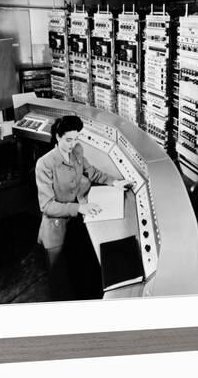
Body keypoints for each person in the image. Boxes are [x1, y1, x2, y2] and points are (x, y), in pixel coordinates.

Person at [35, 114, 129, 300]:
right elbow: (47, 206)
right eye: (68, 140)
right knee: (60, 285)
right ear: (58, 137)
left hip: (76, 224)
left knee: (81, 276)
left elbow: (91, 172)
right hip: (57, 227)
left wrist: (114, 182)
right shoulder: (45, 164)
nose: (72, 144)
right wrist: (79, 208)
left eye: (76, 138)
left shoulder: (77, 151)